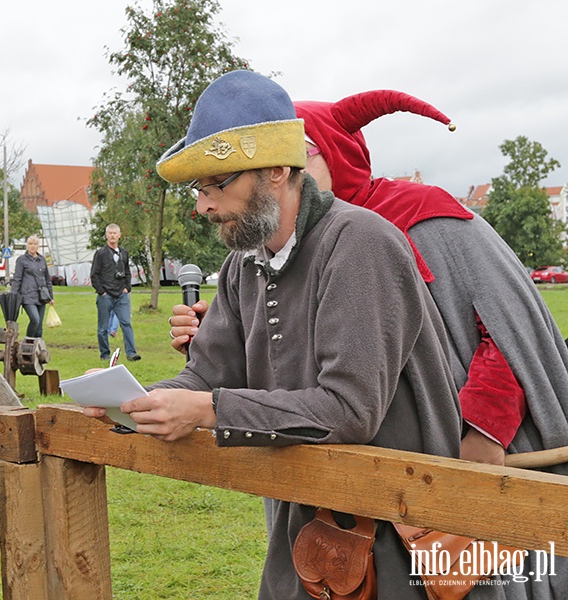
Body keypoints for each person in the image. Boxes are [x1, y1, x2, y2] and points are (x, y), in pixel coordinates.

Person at [169, 88, 568, 596]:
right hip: (312, 473)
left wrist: (484, 427)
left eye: (304, 148)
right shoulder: (262, 248)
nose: (205, 204)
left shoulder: (403, 221)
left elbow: (508, 331)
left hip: (431, 464)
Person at [85, 70, 467, 599]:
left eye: (219, 185)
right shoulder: (245, 262)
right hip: (306, 532)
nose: (203, 205)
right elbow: (205, 374)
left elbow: (348, 409)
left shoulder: (360, 245)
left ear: (277, 171)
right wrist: (133, 401)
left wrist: (209, 410)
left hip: (401, 542)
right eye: (200, 188)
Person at [90, 223, 141, 361]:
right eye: (110, 233)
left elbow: (127, 271)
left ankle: (131, 353)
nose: (112, 235)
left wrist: (127, 288)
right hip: (106, 295)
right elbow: (94, 274)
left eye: (115, 233)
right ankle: (105, 354)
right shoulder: (100, 253)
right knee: (103, 328)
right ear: (106, 235)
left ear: (119, 235)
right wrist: (101, 292)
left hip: (121, 295)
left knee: (126, 323)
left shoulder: (124, 253)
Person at [11, 235, 54, 337]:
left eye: (35, 244)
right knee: (35, 319)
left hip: (42, 296)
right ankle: (28, 342)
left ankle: (37, 347)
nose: (32, 246)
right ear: (27, 246)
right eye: (30, 244)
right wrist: (14, 296)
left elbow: (47, 279)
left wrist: (51, 297)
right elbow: (17, 279)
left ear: (38, 246)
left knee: (39, 326)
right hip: (27, 296)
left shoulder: (42, 260)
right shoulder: (21, 260)